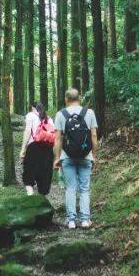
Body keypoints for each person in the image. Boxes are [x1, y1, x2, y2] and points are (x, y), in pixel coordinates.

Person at [53, 88, 99, 229]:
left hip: (67, 156)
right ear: (79, 98)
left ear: (66, 99)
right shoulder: (89, 113)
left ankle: (71, 221)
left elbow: (58, 139)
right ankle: (85, 220)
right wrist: (94, 155)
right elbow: (94, 136)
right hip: (86, 156)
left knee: (70, 188)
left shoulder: (61, 114)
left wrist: (57, 157)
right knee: (84, 189)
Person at [20, 101, 55, 196]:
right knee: (45, 174)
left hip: (33, 147)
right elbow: (54, 136)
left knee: (29, 174)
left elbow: (27, 132)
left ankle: (30, 197)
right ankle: (42, 201)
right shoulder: (49, 119)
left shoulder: (30, 115)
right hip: (48, 149)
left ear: (33, 108)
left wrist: (23, 149)